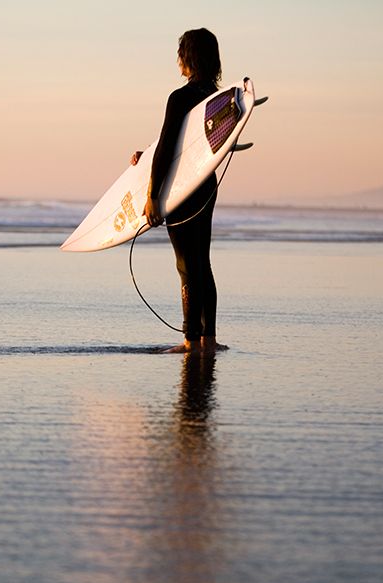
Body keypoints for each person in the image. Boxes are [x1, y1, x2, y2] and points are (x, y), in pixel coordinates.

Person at [131, 28, 227, 355]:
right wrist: (146, 157)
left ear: (187, 57)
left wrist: (152, 194)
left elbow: (169, 148)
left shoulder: (180, 97)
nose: (177, 60)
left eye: (180, 53)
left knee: (186, 265)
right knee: (202, 262)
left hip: (180, 190)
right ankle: (209, 340)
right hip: (205, 186)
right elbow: (190, 147)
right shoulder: (215, 100)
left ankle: (190, 340)